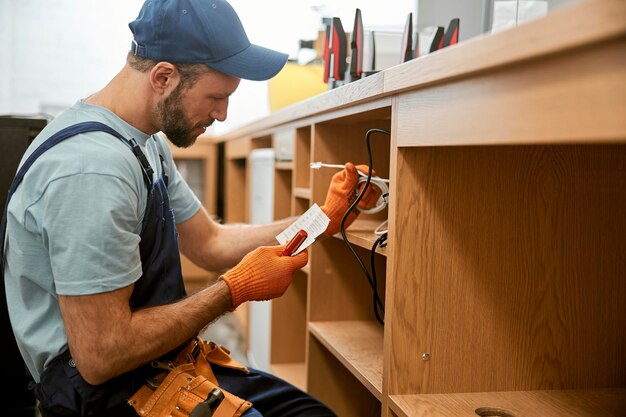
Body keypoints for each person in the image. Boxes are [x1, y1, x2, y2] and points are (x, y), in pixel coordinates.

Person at [1, 1, 376, 416]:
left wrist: (323, 219)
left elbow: (211, 243)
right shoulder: (93, 169)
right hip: (99, 394)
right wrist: (233, 290)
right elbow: (101, 357)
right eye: (216, 97)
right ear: (163, 77)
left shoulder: (146, 141)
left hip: (156, 364)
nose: (223, 113)